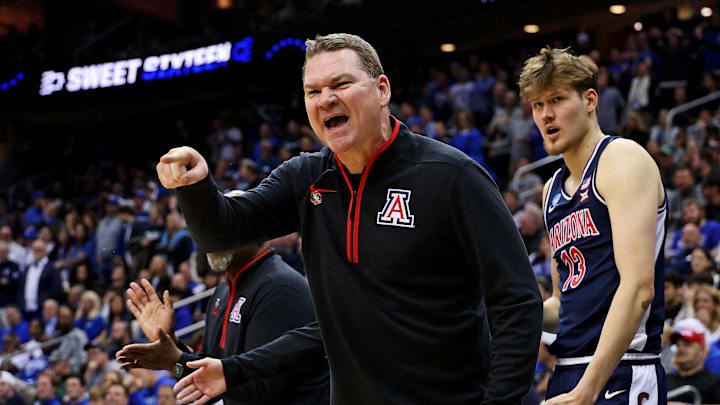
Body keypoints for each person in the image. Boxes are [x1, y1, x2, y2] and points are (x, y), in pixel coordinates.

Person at [159, 33, 542, 404]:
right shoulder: (304, 178)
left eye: (340, 84)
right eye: (313, 91)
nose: (326, 99)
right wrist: (195, 186)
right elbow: (221, 231)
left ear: (382, 90)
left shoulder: (452, 176)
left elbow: (517, 302)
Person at [519, 47, 667, 403]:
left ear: (589, 100)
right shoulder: (552, 188)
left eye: (556, 99)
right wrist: (508, 317)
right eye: (537, 104)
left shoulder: (621, 159)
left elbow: (638, 289)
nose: (546, 114)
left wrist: (588, 388)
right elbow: (562, 301)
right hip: (568, 369)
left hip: (622, 368)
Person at [116, 219, 330, 405]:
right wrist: (170, 343)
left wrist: (175, 361)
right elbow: (211, 368)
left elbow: (259, 392)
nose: (212, 236)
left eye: (224, 226)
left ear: (260, 235)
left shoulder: (280, 287)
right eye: (209, 228)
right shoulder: (223, 290)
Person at [665, 318, 720, 403]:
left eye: (687, 344)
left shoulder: (715, 383)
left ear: (702, 350)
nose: (680, 349)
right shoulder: (664, 380)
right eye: (678, 345)